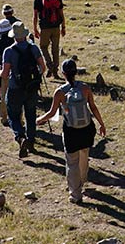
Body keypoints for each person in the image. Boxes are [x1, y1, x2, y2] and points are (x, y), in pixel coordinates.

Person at [37, 58, 106, 204]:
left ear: (63, 74)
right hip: (87, 129)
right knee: (84, 155)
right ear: (76, 72)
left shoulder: (60, 92)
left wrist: (39, 120)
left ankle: (75, 194)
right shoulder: (85, 88)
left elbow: (52, 112)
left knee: (72, 162)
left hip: (71, 131)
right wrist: (101, 124)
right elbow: (93, 107)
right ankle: (83, 180)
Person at [0, 21, 46, 158]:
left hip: (15, 88)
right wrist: (36, 77)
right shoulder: (34, 48)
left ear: (14, 36)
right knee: (31, 114)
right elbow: (43, 67)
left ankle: (20, 137)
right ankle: (31, 141)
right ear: (25, 35)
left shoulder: (8, 51)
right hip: (32, 87)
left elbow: (5, 73)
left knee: (13, 115)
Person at [33, 0, 66, 79]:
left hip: (45, 28)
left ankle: (50, 65)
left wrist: (35, 29)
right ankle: (55, 70)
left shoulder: (38, 0)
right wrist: (63, 27)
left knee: (43, 47)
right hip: (56, 27)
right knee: (55, 49)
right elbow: (61, 14)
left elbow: (35, 16)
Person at [0, 18, 14, 125]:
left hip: (3, 72)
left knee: (3, 95)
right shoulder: (15, 40)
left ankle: (4, 118)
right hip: (16, 71)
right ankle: (18, 118)